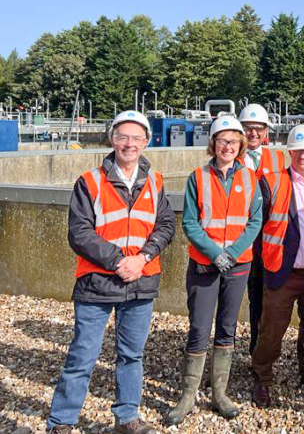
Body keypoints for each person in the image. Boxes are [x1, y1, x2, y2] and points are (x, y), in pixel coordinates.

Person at [47, 111, 176, 434]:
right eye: (123, 137)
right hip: (98, 282)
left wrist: (143, 257)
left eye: (136, 138)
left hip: (141, 281)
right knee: (82, 355)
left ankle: (127, 417)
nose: (129, 144)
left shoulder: (156, 182)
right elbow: (79, 233)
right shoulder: (89, 181)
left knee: (131, 355)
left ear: (146, 142)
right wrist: (119, 260)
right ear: (112, 139)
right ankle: (61, 421)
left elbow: (165, 225)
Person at [167, 116, 262, 425]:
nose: (227, 146)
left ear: (240, 145)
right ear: (213, 144)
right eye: (222, 140)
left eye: (233, 141)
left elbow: (254, 222)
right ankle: (188, 395)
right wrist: (214, 253)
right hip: (204, 266)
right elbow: (190, 222)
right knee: (198, 327)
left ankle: (219, 394)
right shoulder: (198, 177)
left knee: (227, 327)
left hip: (237, 266)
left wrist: (231, 254)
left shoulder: (250, 178)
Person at [251, 124, 304, 406]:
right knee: (272, 329)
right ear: (290, 152)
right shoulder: (273, 182)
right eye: (298, 151)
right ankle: (262, 377)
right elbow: (257, 226)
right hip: (283, 273)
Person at [238, 103, 285, 354]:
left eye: (258, 128)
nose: (253, 134)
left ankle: (259, 351)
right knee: (233, 300)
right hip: (239, 240)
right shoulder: (230, 156)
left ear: (266, 131)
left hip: (267, 241)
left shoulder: (277, 157)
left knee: (263, 299)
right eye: (248, 128)